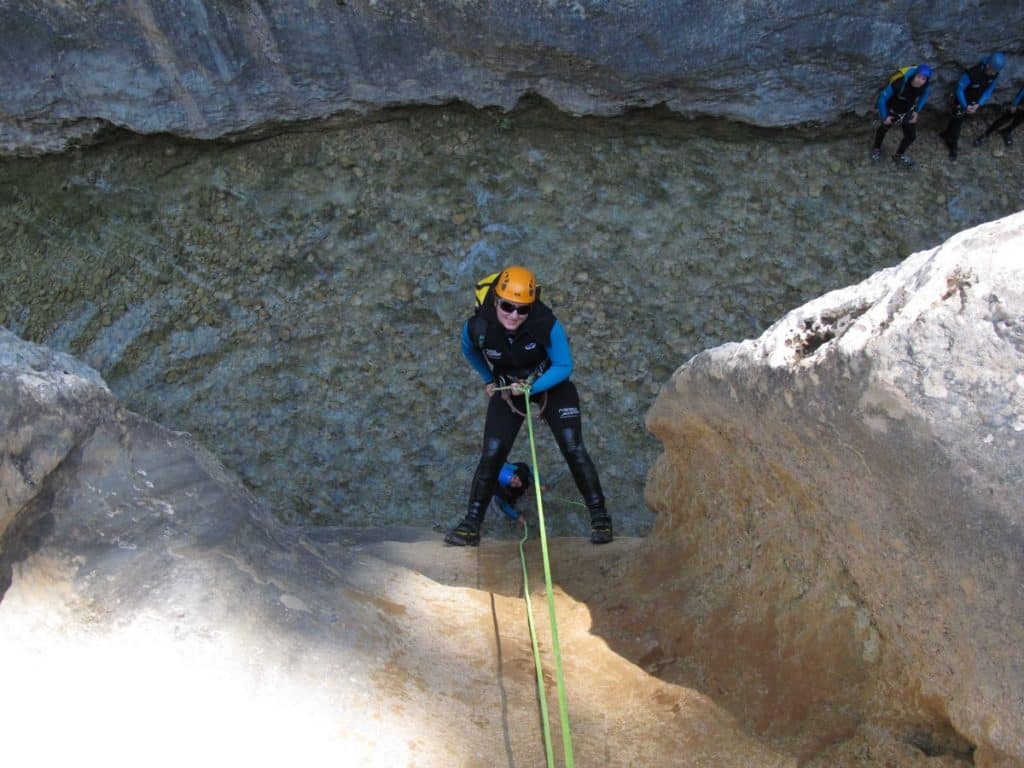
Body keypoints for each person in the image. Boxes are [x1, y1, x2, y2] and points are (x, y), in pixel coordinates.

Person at [446, 265, 613, 547]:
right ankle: (471, 524)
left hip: (549, 384)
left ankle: (600, 518)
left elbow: (563, 365)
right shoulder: (479, 326)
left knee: (573, 446)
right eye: (508, 306)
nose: (514, 315)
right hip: (507, 388)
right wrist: (489, 378)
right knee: (493, 452)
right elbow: (468, 350)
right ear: (496, 301)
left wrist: (531, 389)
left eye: (522, 309)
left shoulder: (545, 323)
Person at [939, 52, 1006, 160]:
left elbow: (989, 90)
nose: (993, 73)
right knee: (957, 125)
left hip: (973, 102)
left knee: (957, 120)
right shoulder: (973, 73)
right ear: (988, 65)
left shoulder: (994, 75)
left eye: (995, 71)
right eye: (992, 70)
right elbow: (959, 90)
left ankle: (945, 133)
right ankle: (953, 147)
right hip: (961, 102)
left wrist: (979, 104)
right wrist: (965, 106)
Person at [872, 64, 934, 167]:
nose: (920, 80)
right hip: (892, 110)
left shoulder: (926, 86)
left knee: (911, 136)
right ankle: (876, 149)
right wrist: (884, 116)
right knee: (883, 129)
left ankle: (898, 155)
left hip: (908, 111)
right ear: (914, 75)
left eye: (923, 79)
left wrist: (917, 111)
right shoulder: (900, 83)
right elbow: (882, 99)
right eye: (918, 76)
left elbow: (924, 96)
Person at [973, 84, 1024, 148]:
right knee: (1004, 119)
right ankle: (986, 134)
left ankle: (1006, 131)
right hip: (1020, 105)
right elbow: (1022, 93)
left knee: (1018, 122)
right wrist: (1014, 105)